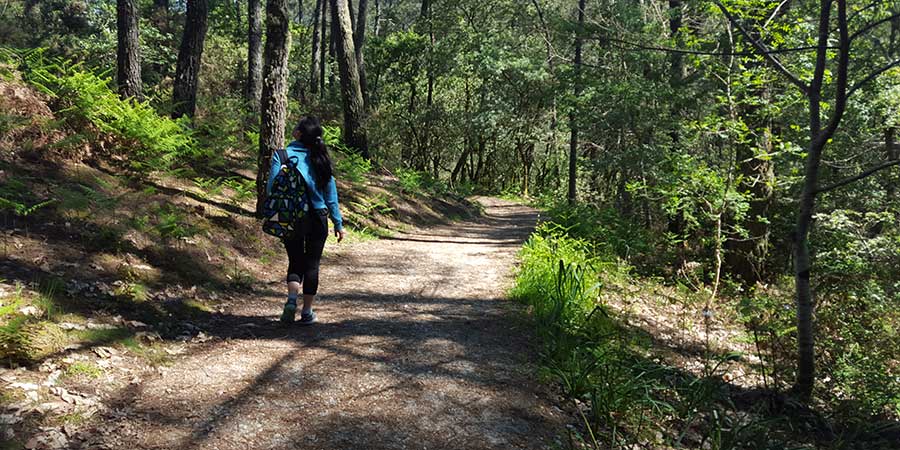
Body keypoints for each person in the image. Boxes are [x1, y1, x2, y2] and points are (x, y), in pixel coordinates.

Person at [267, 116, 345, 325]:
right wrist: (338, 223)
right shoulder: (320, 157)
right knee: (312, 265)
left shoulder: (282, 155)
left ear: (299, 134)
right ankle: (307, 312)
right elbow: (331, 196)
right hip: (317, 217)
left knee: (295, 260)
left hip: (290, 216)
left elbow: (271, 188)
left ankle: (291, 300)